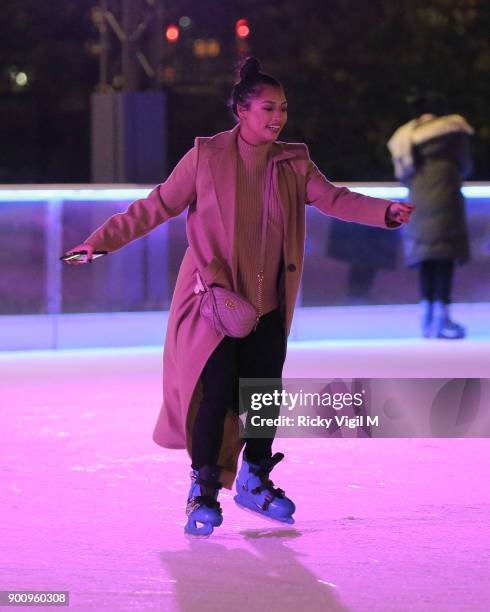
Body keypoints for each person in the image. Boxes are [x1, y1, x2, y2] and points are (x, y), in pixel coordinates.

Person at [65, 57, 414, 537]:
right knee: (218, 392)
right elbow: (157, 205)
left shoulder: (293, 162)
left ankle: (255, 477)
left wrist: (386, 212)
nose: (278, 117)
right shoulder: (206, 158)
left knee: (265, 392)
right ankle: (204, 489)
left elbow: (334, 197)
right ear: (241, 110)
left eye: (284, 109)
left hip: (269, 302)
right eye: (268, 108)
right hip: (216, 302)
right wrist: (99, 241)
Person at [387, 93, 474, 339]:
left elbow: (402, 173)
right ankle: (442, 316)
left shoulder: (405, 138)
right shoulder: (454, 135)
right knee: (444, 259)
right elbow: (465, 165)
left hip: (418, 204)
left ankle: (426, 317)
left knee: (425, 258)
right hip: (447, 202)